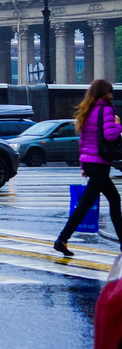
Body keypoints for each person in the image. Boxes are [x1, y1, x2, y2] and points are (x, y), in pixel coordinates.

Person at [55, 79, 122, 256]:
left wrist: (84, 165)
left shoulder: (88, 110)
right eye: (110, 91)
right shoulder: (107, 110)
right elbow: (109, 135)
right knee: (87, 204)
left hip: (92, 164)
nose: (112, 94)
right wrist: (117, 124)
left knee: (112, 200)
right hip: (100, 164)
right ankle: (62, 238)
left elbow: (83, 142)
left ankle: (62, 239)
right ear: (104, 92)